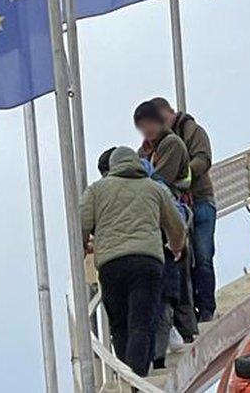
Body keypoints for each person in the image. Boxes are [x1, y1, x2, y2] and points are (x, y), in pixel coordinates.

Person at [80, 147, 187, 377]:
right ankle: (137, 377)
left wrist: (84, 246)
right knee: (142, 323)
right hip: (147, 262)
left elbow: (81, 223)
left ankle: (127, 376)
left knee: (119, 325)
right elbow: (176, 225)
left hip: (111, 264)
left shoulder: (97, 190)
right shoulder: (154, 188)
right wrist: (176, 246)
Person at [135, 100, 199, 360]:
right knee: (169, 278)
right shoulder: (147, 150)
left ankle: (183, 330)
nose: (145, 130)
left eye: (148, 124)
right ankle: (173, 332)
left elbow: (159, 180)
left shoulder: (172, 144)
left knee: (178, 276)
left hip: (174, 212)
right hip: (159, 217)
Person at [151, 97, 218, 323]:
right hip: (177, 207)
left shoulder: (193, 131)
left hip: (200, 201)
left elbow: (204, 158)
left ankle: (207, 307)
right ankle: (190, 312)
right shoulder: (154, 142)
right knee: (183, 260)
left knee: (203, 255)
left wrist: (182, 173)